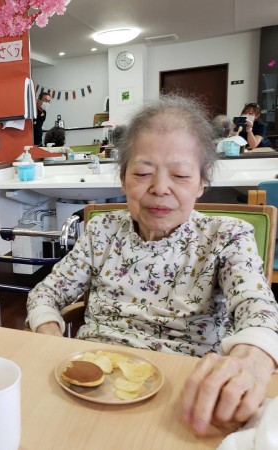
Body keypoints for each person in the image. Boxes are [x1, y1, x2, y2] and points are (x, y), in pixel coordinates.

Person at [26, 95, 278, 436]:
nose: (160, 189)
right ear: (123, 178)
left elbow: (256, 307)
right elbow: (46, 293)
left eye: (181, 175)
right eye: (143, 173)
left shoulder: (227, 236)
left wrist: (253, 358)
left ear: (202, 182)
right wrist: (53, 340)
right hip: (91, 387)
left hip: (185, 395)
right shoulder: (102, 230)